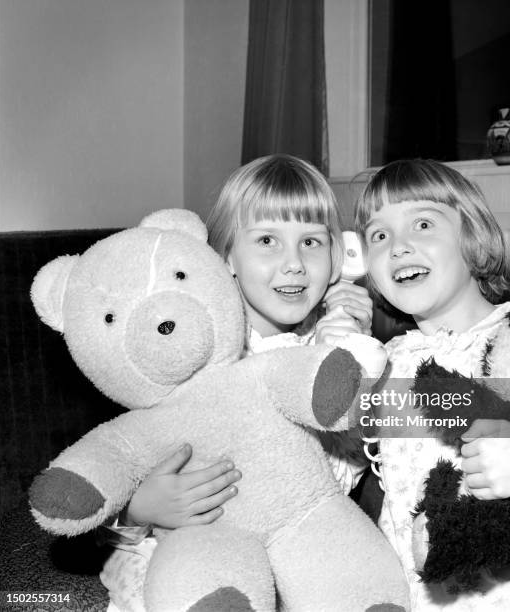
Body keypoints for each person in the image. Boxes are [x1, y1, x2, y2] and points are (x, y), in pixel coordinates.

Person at [100, 154, 373, 611]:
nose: (294, 264)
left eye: (311, 241)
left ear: (340, 257)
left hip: (292, 559)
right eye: (268, 239)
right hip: (181, 565)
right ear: (225, 256)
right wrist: (138, 510)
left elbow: (341, 480)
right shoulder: (191, 349)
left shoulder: (331, 349)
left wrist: (346, 367)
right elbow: (120, 462)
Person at [355, 158, 510, 611]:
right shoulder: (382, 364)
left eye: (422, 223)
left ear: (473, 238)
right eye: (379, 235)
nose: (398, 246)